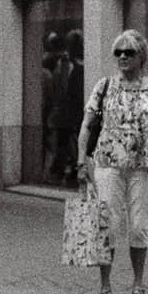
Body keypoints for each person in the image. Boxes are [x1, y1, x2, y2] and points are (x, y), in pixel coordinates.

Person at [78, 29, 148, 294]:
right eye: (118, 52)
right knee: (108, 225)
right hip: (108, 165)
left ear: (141, 56)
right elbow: (87, 125)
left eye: (128, 52)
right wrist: (81, 161)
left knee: (139, 227)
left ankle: (138, 283)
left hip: (142, 167)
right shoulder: (104, 86)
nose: (122, 57)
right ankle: (105, 287)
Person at [53, 30, 86, 186]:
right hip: (68, 113)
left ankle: (67, 170)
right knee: (66, 142)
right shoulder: (66, 65)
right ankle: (63, 171)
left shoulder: (75, 67)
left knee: (69, 143)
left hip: (73, 113)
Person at [39, 31, 63, 181]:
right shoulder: (47, 74)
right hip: (47, 112)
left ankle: (46, 171)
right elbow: (52, 95)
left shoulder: (46, 73)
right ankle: (48, 171)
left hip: (46, 112)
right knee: (50, 144)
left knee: (48, 143)